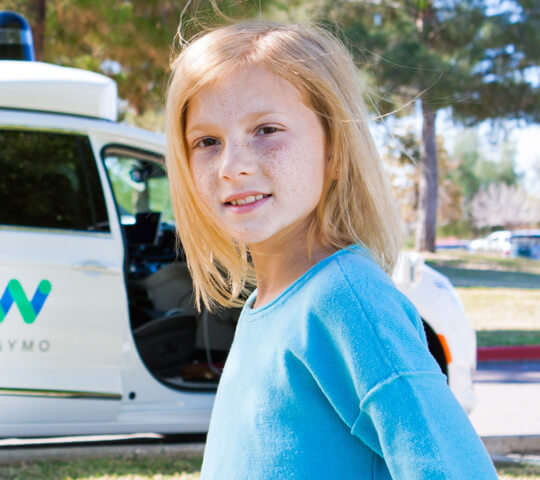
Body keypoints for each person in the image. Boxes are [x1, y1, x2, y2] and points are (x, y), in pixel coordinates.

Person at [164, 21, 497, 479]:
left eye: (266, 129)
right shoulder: (261, 309)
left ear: (335, 151)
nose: (232, 166)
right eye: (207, 141)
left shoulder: (348, 300)